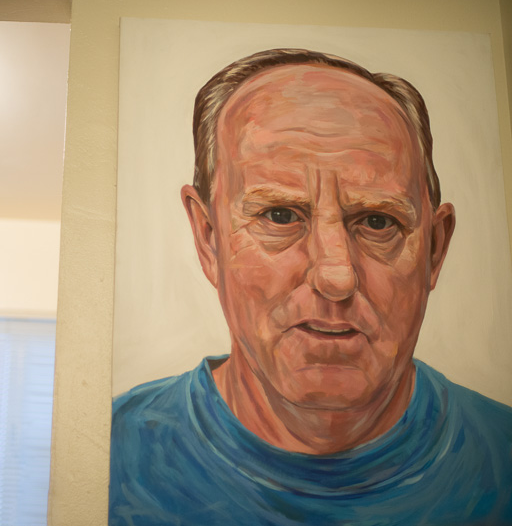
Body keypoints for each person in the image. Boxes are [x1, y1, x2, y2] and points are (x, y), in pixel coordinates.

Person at [109, 48, 512, 526]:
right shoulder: (111, 455)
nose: (336, 277)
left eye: (377, 222)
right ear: (208, 237)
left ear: (435, 249)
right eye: (280, 215)